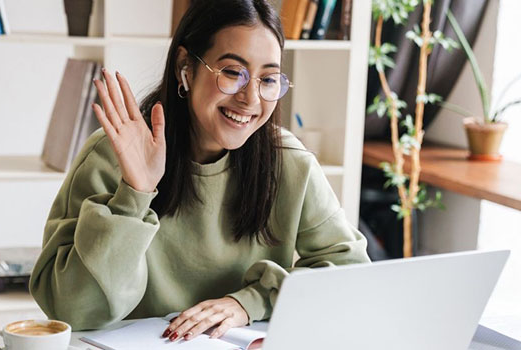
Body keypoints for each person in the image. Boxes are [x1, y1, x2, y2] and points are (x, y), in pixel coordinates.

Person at [30, 0, 370, 342]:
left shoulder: (289, 162)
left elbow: (352, 275)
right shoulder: (112, 154)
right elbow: (72, 310)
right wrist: (135, 194)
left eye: (268, 79)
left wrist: (250, 301)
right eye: (233, 73)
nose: (251, 99)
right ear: (186, 68)